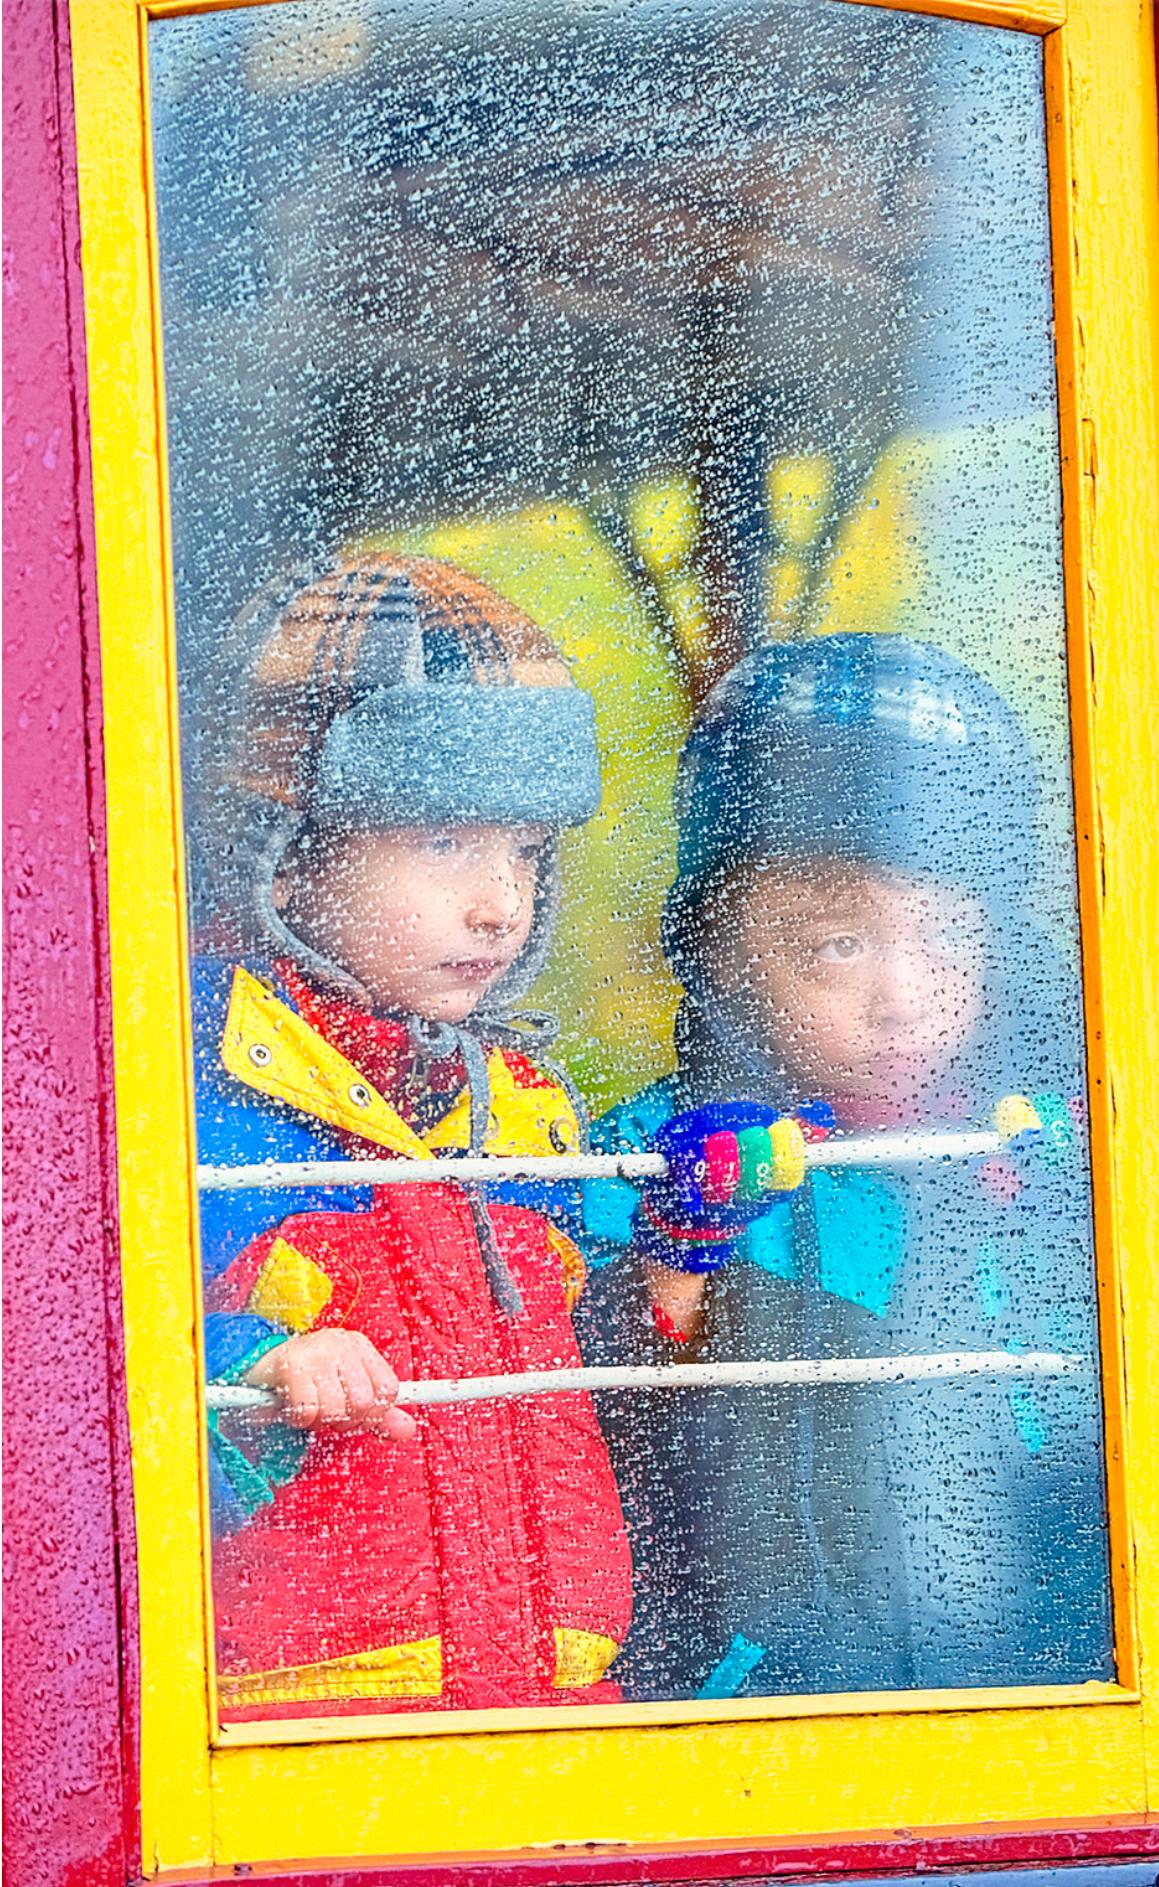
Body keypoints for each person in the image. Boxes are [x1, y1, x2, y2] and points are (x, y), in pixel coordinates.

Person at [194, 557, 809, 1722]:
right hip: (293, 1723)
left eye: (524, 852)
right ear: (288, 845)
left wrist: (678, 1255)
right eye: (441, 844)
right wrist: (251, 1369)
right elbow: (81, 1367)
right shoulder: (194, 1092)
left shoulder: (523, 1104)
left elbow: (583, 1378)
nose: (499, 902)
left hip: (554, 1695)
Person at [578, 632, 1114, 1701]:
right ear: (715, 948)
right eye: (837, 947)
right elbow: (617, 1417)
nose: (903, 998)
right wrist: (682, 1252)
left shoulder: (1073, 1153)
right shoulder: (654, 1167)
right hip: (779, 1702)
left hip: (1080, 1675)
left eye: (947, 940)